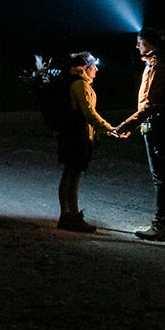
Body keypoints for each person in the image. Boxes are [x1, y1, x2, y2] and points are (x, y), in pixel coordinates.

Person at [113, 30, 165, 242]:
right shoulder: (153, 63)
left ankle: (161, 225)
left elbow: (150, 104)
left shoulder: (157, 66)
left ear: (149, 43)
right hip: (154, 125)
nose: (137, 46)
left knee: (160, 177)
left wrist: (128, 123)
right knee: (162, 176)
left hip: (156, 126)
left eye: (140, 42)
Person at [57, 51, 117, 232]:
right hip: (77, 136)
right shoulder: (79, 85)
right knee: (73, 176)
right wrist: (108, 128)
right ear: (84, 68)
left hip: (71, 135)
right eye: (93, 66)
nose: (96, 70)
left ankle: (66, 215)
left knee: (69, 174)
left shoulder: (78, 83)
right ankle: (72, 217)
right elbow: (88, 112)